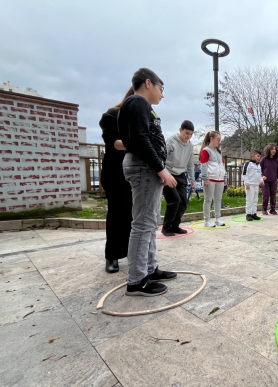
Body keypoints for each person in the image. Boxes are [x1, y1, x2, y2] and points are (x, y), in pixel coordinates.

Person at [118, 68, 178, 297]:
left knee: (151, 222)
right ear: (148, 83)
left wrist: (158, 170)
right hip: (143, 167)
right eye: (161, 89)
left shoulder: (142, 106)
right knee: (143, 224)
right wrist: (161, 170)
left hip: (147, 168)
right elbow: (141, 140)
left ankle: (150, 269)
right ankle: (137, 280)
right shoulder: (137, 102)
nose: (162, 94)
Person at [99, 87, 134, 273]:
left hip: (133, 171)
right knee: (116, 213)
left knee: (131, 214)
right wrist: (138, 142)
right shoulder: (112, 115)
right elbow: (114, 143)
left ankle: (130, 252)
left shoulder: (140, 119)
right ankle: (111, 255)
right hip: (115, 171)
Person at [161, 120, 196, 236]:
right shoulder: (171, 141)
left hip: (181, 175)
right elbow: (162, 159)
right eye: (186, 133)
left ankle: (175, 226)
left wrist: (192, 180)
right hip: (169, 174)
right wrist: (165, 175)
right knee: (174, 200)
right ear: (180, 130)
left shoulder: (190, 145)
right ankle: (166, 227)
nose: (188, 136)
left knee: (183, 202)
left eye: (191, 134)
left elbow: (190, 164)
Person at [200, 131, 227, 227]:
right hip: (210, 179)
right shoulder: (206, 150)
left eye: (220, 140)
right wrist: (205, 179)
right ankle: (207, 220)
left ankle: (218, 219)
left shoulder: (219, 152)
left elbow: (222, 166)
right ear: (211, 138)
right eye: (217, 139)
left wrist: (225, 177)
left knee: (218, 199)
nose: (219, 141)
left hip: (219, 179)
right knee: (208, 200)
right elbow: (203, 165)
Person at [242, 150, 264, 221]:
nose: (259, 157)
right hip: (250, 185)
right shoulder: (248, 164)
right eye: (257, 156)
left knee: (255, 200)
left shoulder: (258, 165)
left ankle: (253, 213)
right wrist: (247, 183)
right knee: (249, 200)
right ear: (252, 156)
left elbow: (259, 174)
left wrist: (261, 181)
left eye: (260, 156)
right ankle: (248, 214)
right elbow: (245, 174)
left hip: (256, 185)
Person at [260, 143, 278, 215]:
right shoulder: (263, 159)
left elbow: (277, 170)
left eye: (275, 149)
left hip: (273, 181)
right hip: (265, 181)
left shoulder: (276, 160)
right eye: (272, 149)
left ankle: (272, 209)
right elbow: (259, 169)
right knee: (266, 195)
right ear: (268, 150)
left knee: (273, 195)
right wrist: (262, 176)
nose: (274, 150)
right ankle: (264, 209)